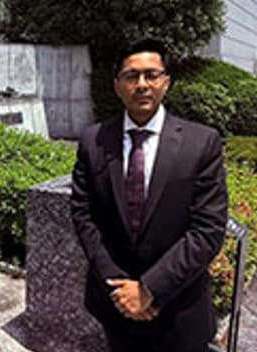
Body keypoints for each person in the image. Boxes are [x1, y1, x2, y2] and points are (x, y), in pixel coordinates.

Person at [70, 39, 228, 352]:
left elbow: (208, 230)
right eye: (131, 76)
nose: (142, 84)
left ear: (166, 83)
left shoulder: (202, 143)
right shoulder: (93, 140)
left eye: (151, 75)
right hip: (115, 304)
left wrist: (149, 289)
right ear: (117, 86)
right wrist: (120, 289)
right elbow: (83, 214)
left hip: (179, 308)